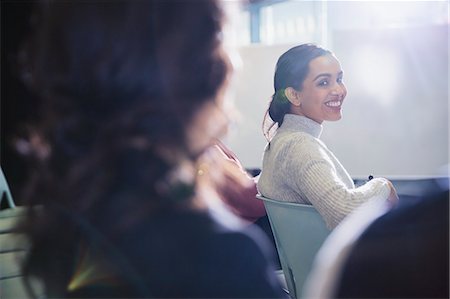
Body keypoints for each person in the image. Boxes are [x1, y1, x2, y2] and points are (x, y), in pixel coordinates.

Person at [14, 1, 285, 298]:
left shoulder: (73, 205)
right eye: (220, 37)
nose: (233, 62)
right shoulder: (221, 257)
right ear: (193, 67)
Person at [257, 43, 398, 229]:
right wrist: (382, 186)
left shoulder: (282, 141)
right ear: (294, 95)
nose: (339, 90)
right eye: (323, 82)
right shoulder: (299, 146)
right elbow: (343, 211)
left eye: (339, 79)